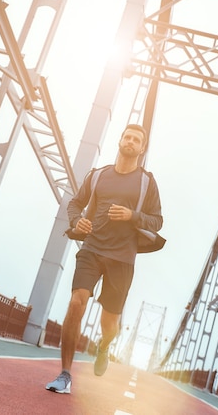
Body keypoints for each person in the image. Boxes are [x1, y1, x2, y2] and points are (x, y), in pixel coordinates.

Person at [45, 124, 163, 394]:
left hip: (122, 259)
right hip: (92, 249)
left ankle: (104, 346)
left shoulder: (147, 182)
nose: (131, 142)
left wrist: (132, 216)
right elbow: (75, 203)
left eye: (137, 139)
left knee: (109, 325)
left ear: (141, 148)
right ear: (120, 141)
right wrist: (77, 221)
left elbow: (157, 221)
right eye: (128, 137)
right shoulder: (98, 175)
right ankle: (64, 374)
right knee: (77, 303)